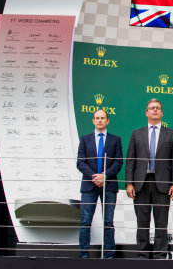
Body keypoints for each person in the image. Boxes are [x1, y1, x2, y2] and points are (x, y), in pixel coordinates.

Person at [126, 99, 173, 259]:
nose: (155, 110)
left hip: (163, 184)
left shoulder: (171, 134)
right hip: (140, 184)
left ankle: (160, 254)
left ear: (162, 113)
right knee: (142, 222)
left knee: (161, 222)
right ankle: (142, 253)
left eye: (158, 108)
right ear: (146, 112)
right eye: (152, 108)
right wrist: (129, 183)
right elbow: (130, 160)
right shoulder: (136, 133)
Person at [76, 109, 123, 259]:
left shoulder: (115, 140)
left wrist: (105, 176)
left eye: (103, 118)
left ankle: (109, 255)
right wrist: (94, 177)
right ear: (93, 121)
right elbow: (80, 162)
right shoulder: (85, 139)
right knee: (85, 221)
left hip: (108, 185)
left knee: (108, 221)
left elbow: (118, 162)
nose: (100, 120)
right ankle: (84, 255)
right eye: (97, 118)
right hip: (89, 186)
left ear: (107, 121)